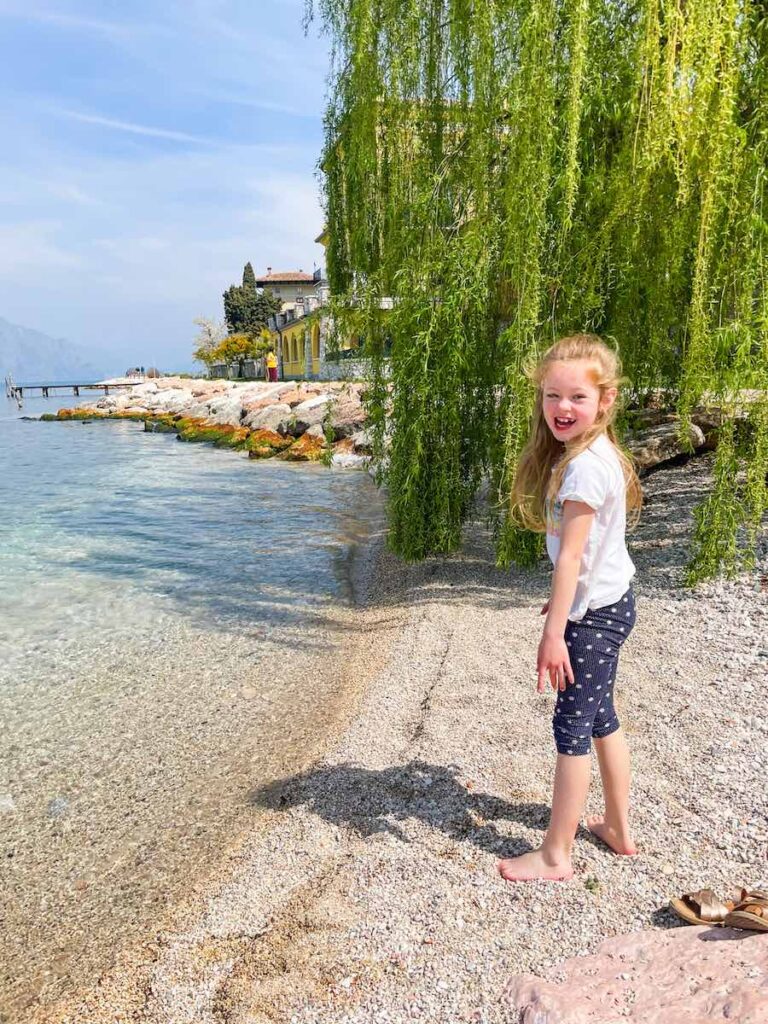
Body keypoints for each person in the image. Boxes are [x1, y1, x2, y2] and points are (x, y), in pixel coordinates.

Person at [498, 334, 643, 882]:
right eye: (552, 395)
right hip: (610, 602)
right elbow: (586, 560)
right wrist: (567, 603)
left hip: (593, 618)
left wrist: (555, 630)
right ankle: (619, 830)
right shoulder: (595, 454)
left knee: (573, 726)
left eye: (577, 398)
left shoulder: (583, 469)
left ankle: (556, 854)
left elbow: (572, 557)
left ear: (604, 401)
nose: (562, 408)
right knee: (603, 716)